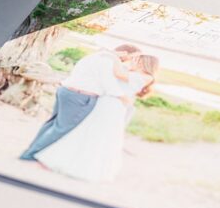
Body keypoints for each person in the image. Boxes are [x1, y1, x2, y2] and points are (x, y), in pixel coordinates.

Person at [35, 53, 157, 182]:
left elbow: (118, 74)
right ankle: (64, 160)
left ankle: (82, 167)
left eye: (136, 60)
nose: (132, 62)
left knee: (100, 134)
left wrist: (113, 57)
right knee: (86, 129)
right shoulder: (128, 71)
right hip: (106, 102)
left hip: (114, 106)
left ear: (145, 63)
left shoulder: (147, 77)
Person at [19, 43, 140, 161]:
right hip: (80, 96)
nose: (132, 60)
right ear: (124, 53)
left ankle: (31, 150)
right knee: (62, 128)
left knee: (51, 124)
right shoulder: (108, 61)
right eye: (133, 57)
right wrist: (123, 97)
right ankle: (31, 154)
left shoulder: (96, 55)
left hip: (66, 91)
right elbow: (108, 84)